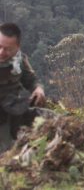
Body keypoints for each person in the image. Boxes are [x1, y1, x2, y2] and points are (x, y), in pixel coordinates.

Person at [0, 22, 46, 152]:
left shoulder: (19, 61)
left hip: (13, 110)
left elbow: (31, 79)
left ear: (17, 47)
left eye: (7, 49)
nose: (1, 52)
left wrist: (38, 89)